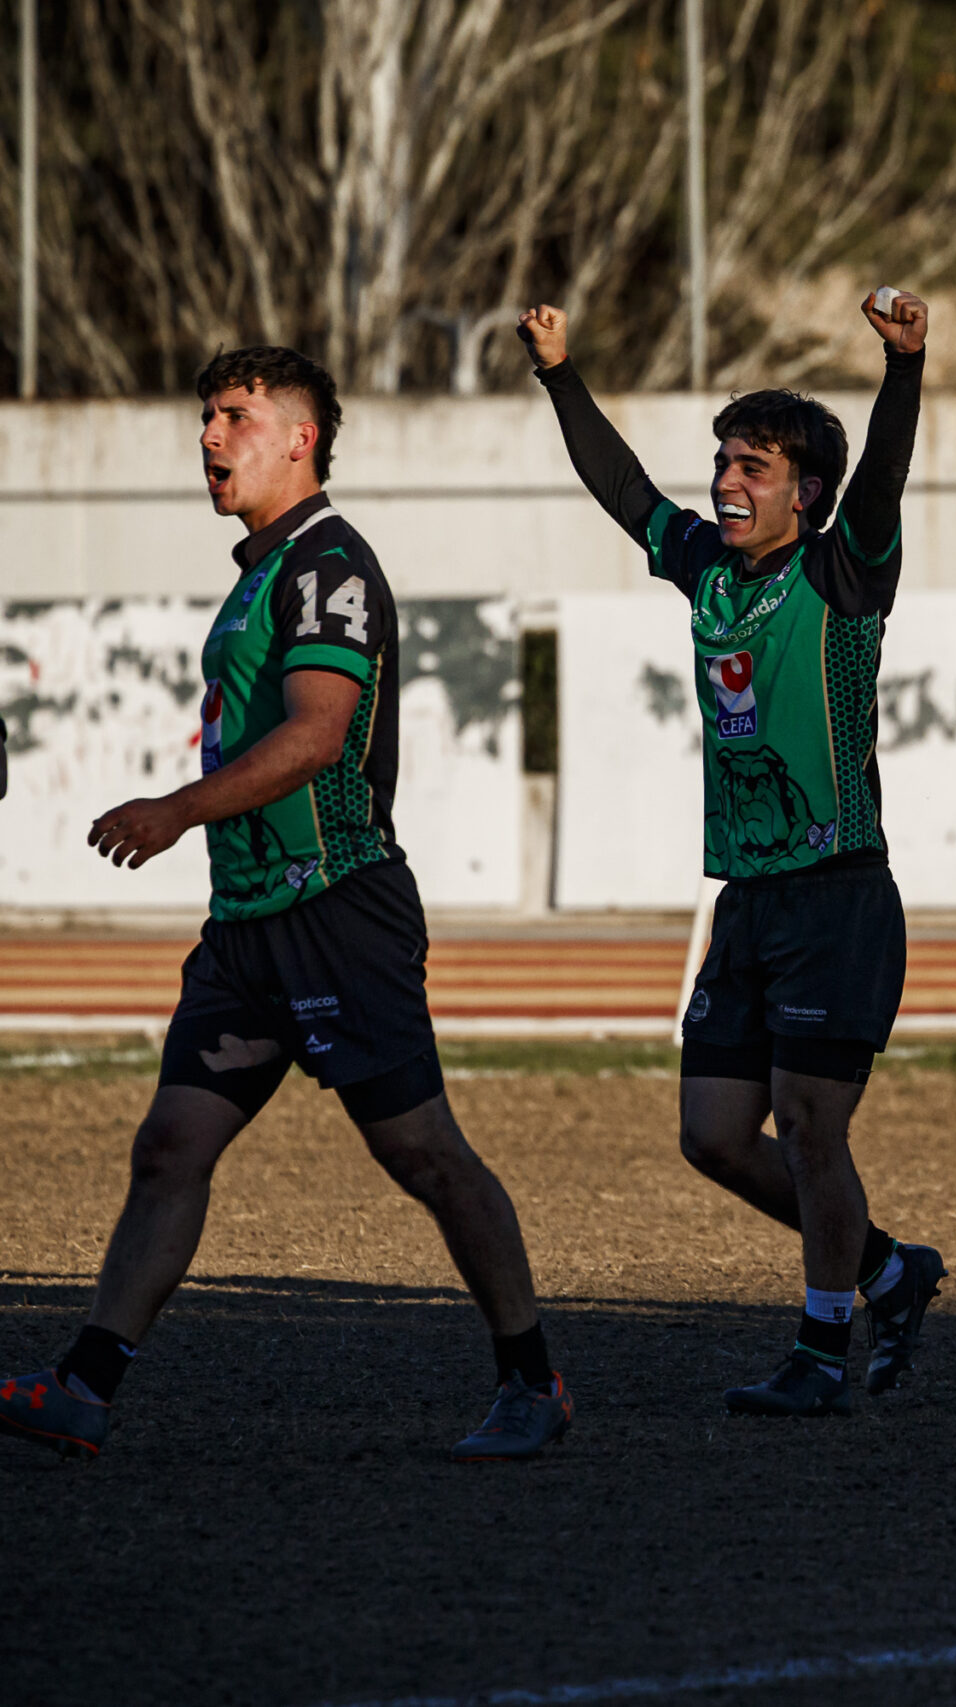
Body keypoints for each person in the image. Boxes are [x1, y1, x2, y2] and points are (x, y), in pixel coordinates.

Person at [0, 347, 569, 1462]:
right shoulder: (261, 572)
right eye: (206, 416)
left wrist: (175, 809)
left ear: (302, 438)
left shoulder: (328, 565)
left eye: (237, 417)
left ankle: (533, 1380)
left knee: (425, 1157)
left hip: (336, 912)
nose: (211, 437)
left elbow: (315, 737)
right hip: (249, 926)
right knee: (170, 1145)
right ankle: (85, 1386)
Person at [518, 295, 945, 1416]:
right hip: (746, 904)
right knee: (712, 1138)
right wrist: (561, 375)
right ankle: (891, 1273)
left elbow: (885, 480)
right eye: (722, 460)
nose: (724, 481)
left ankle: (819, 1348)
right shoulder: (707, 569)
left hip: (837, 898)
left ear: (805, 492)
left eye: (750, 466)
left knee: (809, 1127)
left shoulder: (844, 572)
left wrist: (903, 368)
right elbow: (622, 491)